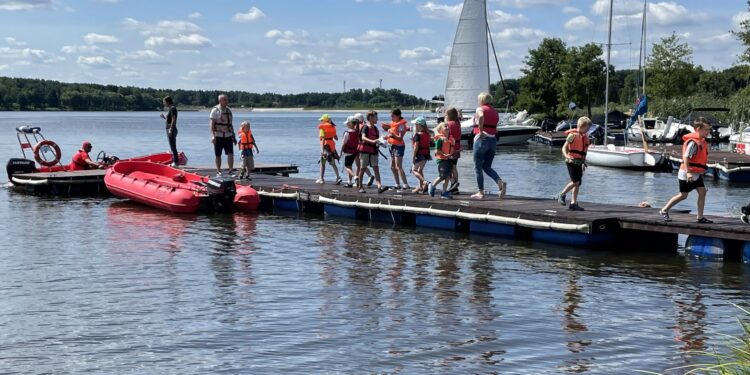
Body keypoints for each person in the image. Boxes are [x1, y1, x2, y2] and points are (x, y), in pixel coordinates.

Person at [659, 117, 713, 223]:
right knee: (683, 195)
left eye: (709, 130)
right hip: (687, 173)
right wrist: (688, 173)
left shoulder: (702, 141)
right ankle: (664, 210)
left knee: (702, 192)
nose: (708, 132)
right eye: (706, 130)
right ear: (698, 129)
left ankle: (700, 217)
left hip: (696, 173)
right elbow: (686, 157)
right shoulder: (693, 143)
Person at [470, 92, 507, 200]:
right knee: (487, 167)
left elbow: (481, 116)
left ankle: (481, 192)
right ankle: (499, 182)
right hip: (492, 140)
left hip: (482, 139)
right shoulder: (495, 112)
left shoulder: (480, 109)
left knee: (478, 168)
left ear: (481, 100)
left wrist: (481, 130)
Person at [555, 116, 592, 211]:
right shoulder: (572, 135)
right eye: (587, 128)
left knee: (578, 183)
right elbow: (564, 148)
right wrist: (566, 156)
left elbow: (584, 152)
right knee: (575, 181)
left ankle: (573, 203)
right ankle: (561, 194)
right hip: (571, 161)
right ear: (582, 126)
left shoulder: (585, 137)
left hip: (579, 162)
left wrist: (583, 163)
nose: (588, 130)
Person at [357, 110, 386, 194]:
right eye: (376, 117)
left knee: (376, 168)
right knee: (362, 168)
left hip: (373, 151)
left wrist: (381, 142)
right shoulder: (365, 127)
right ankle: (360, 186)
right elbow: (363, 137)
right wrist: (373, 141)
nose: (377, 119)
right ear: (370, 118)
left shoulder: (376, 129)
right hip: (365, 151)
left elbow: (377, 140)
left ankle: (379, 186)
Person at [382, 108, 410, 191]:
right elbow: (392, 135)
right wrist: (386, 137)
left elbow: (400, 138)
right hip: (392, 146)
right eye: (391, 116)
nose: (391, 118)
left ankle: (405, 184)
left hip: (399, 146)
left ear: (398, 116)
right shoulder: (394, 123)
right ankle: (397, 184)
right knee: (392, 166)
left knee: (398, 166)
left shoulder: (401, 125)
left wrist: (392, 133)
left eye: (393, 116)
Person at [209, 94, 236, 176]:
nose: (227, 101)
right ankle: (218, 171)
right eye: (225, 100)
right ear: (220, 101)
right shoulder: (215, 110)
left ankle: (231, 170)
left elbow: (230, 124)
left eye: (227, 99)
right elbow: (212, 124)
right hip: (218, 135)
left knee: (230, 153)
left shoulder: (229, 111)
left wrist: (233, 136)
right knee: (218, 154)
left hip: (228, 135)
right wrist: (213, 136)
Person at [428, 122, 455, 199]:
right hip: (442, 159)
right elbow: (437, 150)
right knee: (443, 176)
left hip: (448, 159)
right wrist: (444, 154)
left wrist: (454, 152)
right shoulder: (440, 139)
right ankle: (432, 185)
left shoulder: (450, 138)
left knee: (447, 177)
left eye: (447, 126)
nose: (447, 127)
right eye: (445, 126)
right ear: (440, 130)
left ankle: (444, 192)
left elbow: (451, 148)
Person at [316, 114, 342, 185]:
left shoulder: (322, 128)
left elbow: (323, 139)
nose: (321, 121)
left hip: (325, 146)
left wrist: (322, 150)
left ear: (324, 120)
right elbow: (336, 138)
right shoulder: (333, 127)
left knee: (322, 162)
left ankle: (321, 179)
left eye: (322, 120)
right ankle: (338, 177)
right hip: (332, 146)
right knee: (333, 163)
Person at [352, 112, 374, 187]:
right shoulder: (365, 125)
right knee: (362, 165)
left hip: (357, 147)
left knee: (358, 165)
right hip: (364, 147)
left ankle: (357, 181)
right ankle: (370, 176)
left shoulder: (357, 126)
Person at [411, 117, 431, 193]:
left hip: (419, 155)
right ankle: (421, 187)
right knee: (420, 170)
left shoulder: (418, 135)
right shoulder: (427, 134)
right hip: (426, 155)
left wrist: (413, 156)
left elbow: (416, 146)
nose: (415, 126)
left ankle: (425, 182)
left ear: (419, 125)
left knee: (414, 170)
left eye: (416, 124)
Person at [445, 107, 462, 193]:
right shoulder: (457, 123)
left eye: (446, 115)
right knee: (454, 167)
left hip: (450, 148)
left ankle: (454, 183)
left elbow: (445, 135)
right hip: (457, 147)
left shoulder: (448, 124)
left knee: (446, 167)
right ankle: (454, 187)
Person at [340, 116, 360, 187]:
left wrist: (341, 152)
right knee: (350, 166)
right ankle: (349, 182)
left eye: (348, 123)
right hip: (355, 152)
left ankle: (355, 177)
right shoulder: (357, 132)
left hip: (348, 152)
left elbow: (343, 144)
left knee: (347, 167)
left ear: (351, 124)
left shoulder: (347, 133)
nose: (347, 125)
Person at [159, 96, 179, 167]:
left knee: (173, 146)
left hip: (171, 129)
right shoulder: (171, 109)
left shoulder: (173, 108)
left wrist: (171, 128)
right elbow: (169, 120)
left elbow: (174, 119)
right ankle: (175, 161)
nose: (163, 103)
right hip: (170, 129)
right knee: (172, 146)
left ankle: (176, 163)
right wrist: (164, 117)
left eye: (164, 102)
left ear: (167, 102)